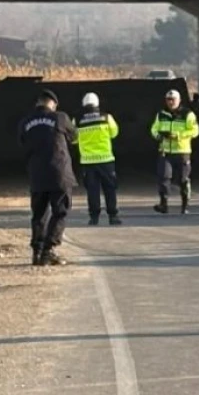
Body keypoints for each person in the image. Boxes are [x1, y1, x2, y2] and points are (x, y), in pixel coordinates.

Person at [18, 89, 78, 266]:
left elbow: (22, 142)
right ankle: (49, 250)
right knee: (60, 212)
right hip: (59, 173)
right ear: (53, 103)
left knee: (39, 214)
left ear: (38, 102)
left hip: (37, 174)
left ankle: (36, 252)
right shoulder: (60, 118)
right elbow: (74, 137)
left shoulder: (25, 121)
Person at [74, 91, 122, 226]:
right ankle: (113, 216)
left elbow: (73, 139)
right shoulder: (107, 118)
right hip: (106, 160)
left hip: (88, 162)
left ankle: (93, 218)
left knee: (92, 191)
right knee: (110, 189)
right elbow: (114, 133)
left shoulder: (77, 120)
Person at [151, 89, 199, 214]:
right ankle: (164, 204)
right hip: (165, 151)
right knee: (164, 178)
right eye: (168, 99)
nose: (171, 102)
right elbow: (153, 129)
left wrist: (178, 135)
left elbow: (195, 131)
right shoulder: (161, 114)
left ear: (179, 100)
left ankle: (185, 205)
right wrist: (160, 136)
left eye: (173, 100)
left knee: (183, 180)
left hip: (182, 151)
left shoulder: (187, 114)